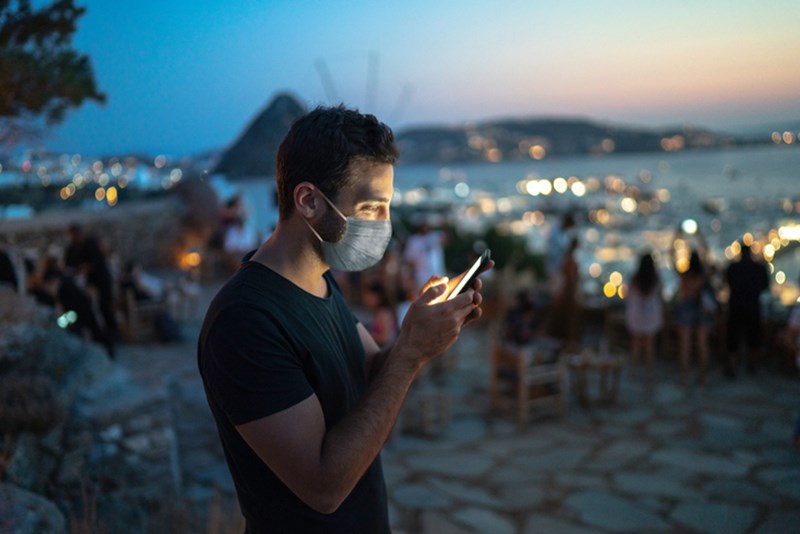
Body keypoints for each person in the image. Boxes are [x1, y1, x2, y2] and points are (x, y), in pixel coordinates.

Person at [197, 105, 491, 533]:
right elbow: (322, 487)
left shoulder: (318, 281)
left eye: (386, 207)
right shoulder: (244, 321)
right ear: (309, 200)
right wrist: (410, 353)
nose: (384, 225)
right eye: (371, 207)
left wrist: (423, 334)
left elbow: (370, 369)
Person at [64, 223, 118, 339]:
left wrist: (87, 267)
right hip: (85, 284)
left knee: (105, 306)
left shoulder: (91, 244)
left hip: (100, 280)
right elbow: (69, 265)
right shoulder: (72, 248)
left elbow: (98, 261)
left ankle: (112, 333)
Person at [725, 243, 769, 376]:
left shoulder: (733, 268)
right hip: (753, 306)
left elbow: (727, 282)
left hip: (736, 307)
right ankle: (753, 365)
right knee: (754, 337)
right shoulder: (759, 268)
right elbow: (765, 286)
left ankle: (732, 367)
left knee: (734, 338)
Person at [674, 250, 713, 385]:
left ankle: (683, 378)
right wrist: (701, 238)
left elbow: (672, 260)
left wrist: (676, 237)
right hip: (701, 309)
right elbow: (708, 261)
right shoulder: (702, 276)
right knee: (702, 345)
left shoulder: (684, 276)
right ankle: (702, 377)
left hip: (686, 308)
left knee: (685, 346)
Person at [624, 252, 663, 383]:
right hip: (651, 316)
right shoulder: (656, 279)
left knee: (635, 345)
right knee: (649, 346)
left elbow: (627, 296)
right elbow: (660, 297)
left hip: (636, 316)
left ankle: (633, 372)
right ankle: (649, 374)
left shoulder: (634, 279)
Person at [403, 222, 447, 290]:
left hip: (438, 275)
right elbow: (408, 260)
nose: (425, 227)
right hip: (421, 278)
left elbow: (447, 238)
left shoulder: (434, 236)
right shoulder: (414, 241)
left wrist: (443, 223)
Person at [361, 280, 398, 348]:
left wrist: (367, 337)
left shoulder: (383, 314)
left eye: (368, 295)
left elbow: (386, 338)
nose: (365, 299)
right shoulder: (381, 313)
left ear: (377, 296)